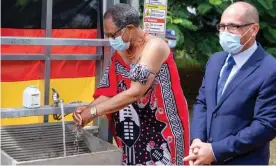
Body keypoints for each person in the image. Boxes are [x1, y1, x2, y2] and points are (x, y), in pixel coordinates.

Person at [73, 3, 190, 165]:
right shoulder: (120, 53)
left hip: (162, 131)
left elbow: (135, 92)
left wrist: (93, 111)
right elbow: (108, 92)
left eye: (112, 35)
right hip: (133, 130)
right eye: (107, 35)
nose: (110, 40)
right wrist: (87, 109)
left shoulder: (154, 47)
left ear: (129, 28)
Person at [184, 1, 276, 165]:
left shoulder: (270, 69)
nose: (225, 32)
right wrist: (197, 140)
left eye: (233, 27)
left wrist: (215, 151)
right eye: (222, 26)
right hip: (204, 156)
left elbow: (265, 126)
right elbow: (203, 102)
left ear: (253, 29)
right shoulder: (215, 60)